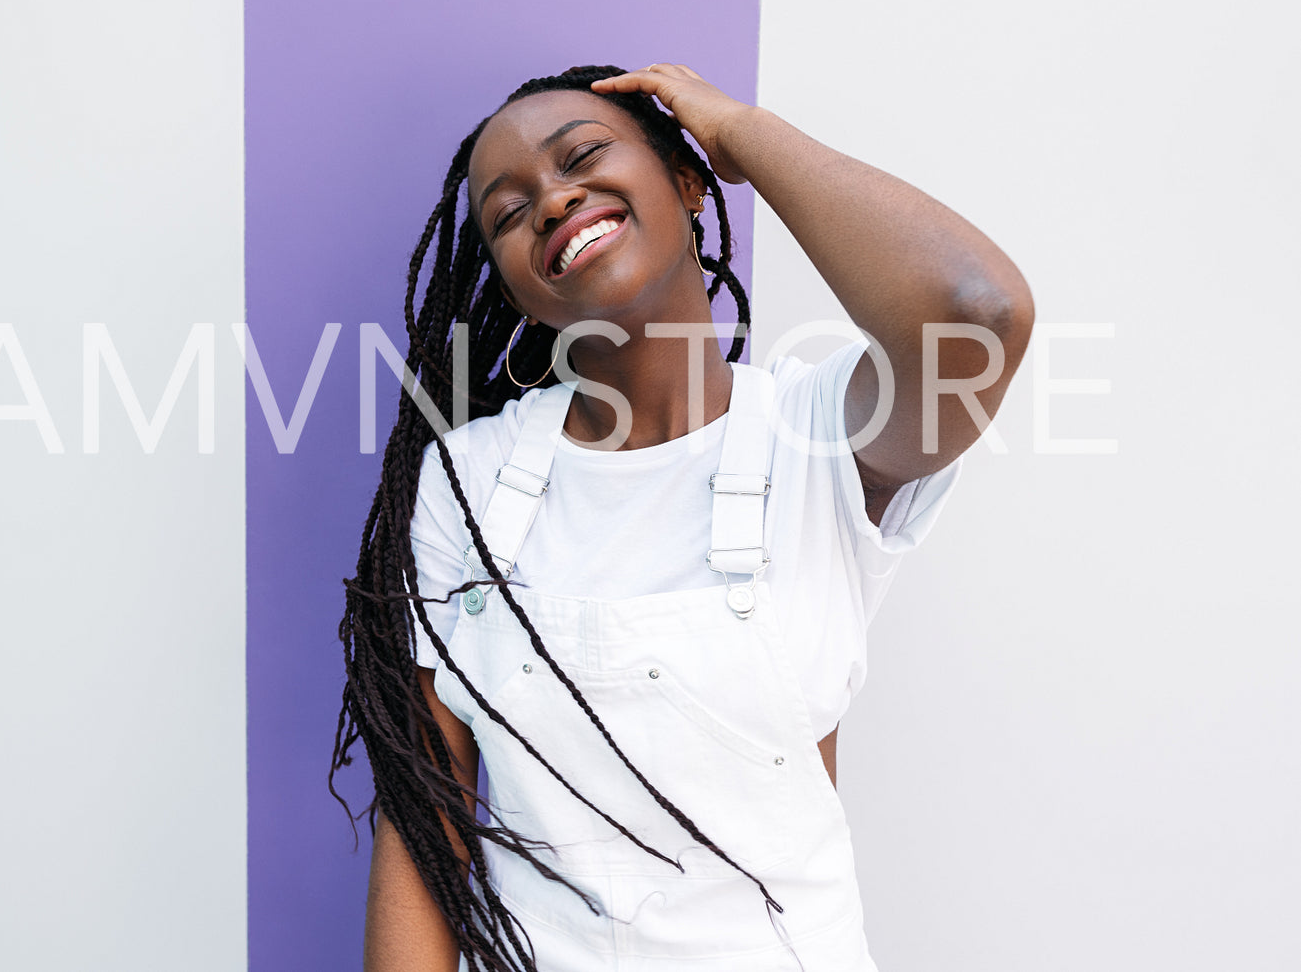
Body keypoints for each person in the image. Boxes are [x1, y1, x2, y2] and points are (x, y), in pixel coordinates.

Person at [331, 63, 1034, 971]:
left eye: (582, 156)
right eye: (508, 213)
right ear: (513, 290)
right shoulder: (466, 482)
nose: (550, 200)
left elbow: (976, 310)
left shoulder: (822, 439)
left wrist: (739, 133)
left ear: (689, 184)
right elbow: (425, 824)